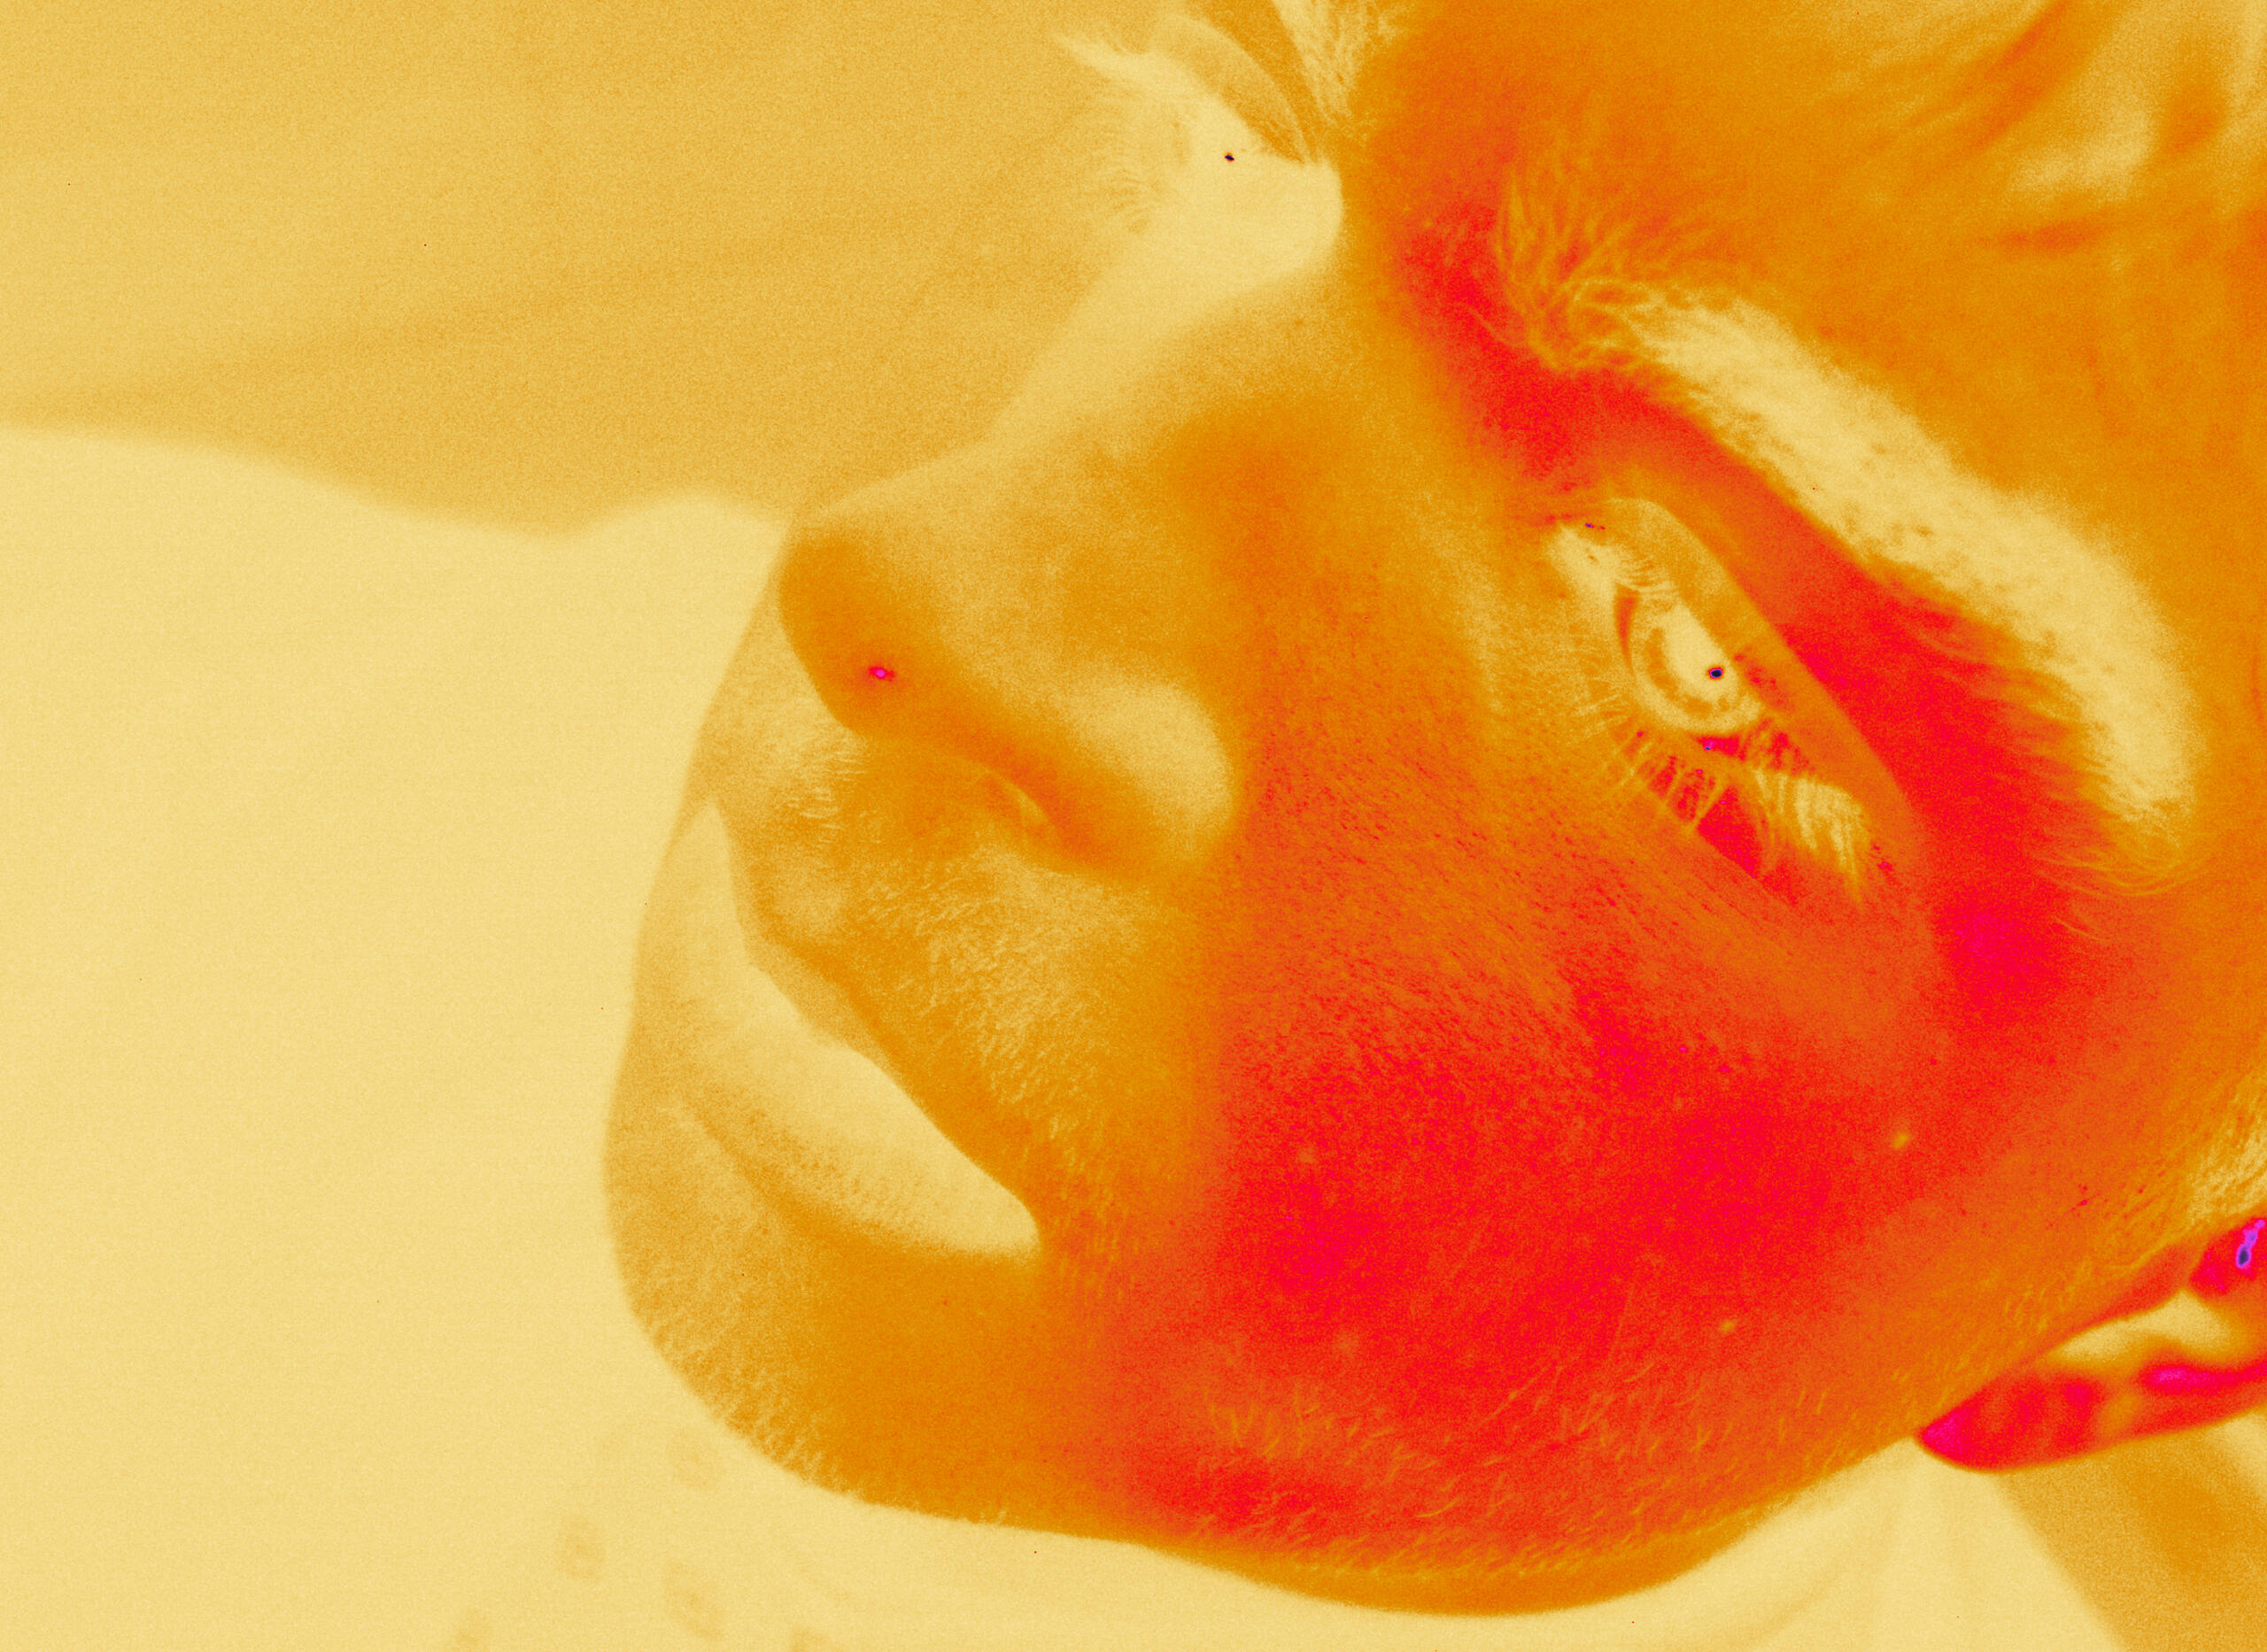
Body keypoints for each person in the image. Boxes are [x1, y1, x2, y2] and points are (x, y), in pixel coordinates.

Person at [569, 0, 2267, 1645]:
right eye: (1224, 143)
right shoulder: (486, 756)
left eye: (1696, 665)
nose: (902, 581)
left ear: (2222, 1286)